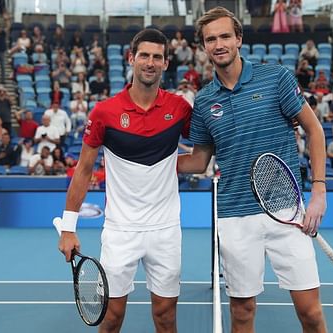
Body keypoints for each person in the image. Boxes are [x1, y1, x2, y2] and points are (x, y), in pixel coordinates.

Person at [178, 7, 327, 332]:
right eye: (210, 39)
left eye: (225, 36)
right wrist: (148, 161)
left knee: (311, 313)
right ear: (204, 46)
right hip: (235, 217)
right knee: (243, 313)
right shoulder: (203, 101)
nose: (218, 44)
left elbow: (314, 130)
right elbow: (198, 161)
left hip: (286, 210)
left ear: (239, 39)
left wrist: (318, 191)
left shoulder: (276, 78)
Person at [56, 28, 192, 333]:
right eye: (144, 55)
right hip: (120, 231)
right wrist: (68, 228)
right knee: (112, 317)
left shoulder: (180, 108)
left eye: (157, 57)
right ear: (132, 58)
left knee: (166, 317)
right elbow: (83, 170)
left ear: (166, 63)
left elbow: (208, 144)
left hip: (166, 229)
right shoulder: (105, 112)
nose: (150, 62)